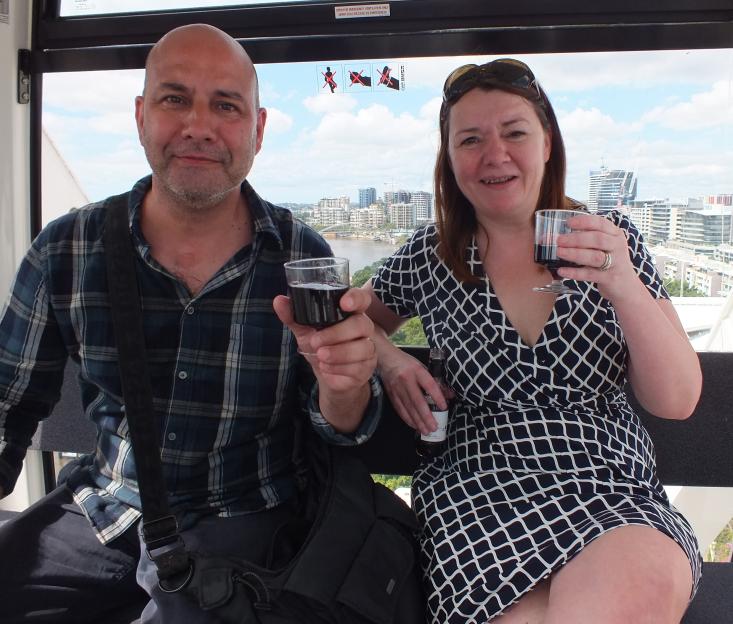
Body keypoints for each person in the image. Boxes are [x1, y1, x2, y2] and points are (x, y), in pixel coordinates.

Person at [0, 24, 381, 623]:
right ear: (141, 115)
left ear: (257, 130)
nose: (198, 126)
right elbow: (8, 401)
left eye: (225, 105)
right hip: (105, 511)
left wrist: (347, 385)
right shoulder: (67, 251)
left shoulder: (300, 258)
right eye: (175, 99)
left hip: (251, 521)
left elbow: (339, 428)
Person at [363, 58, 702, 623]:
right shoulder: (433, 255)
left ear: (548, 142)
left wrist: (621, 281)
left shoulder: (608, 239)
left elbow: (678, 399)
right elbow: (357, 320)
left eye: (514, 132)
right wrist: (392, 360)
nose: (494, 154)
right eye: (470, 139)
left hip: (610, 482)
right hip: (478, 490)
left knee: (631, 591)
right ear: (449, 160)